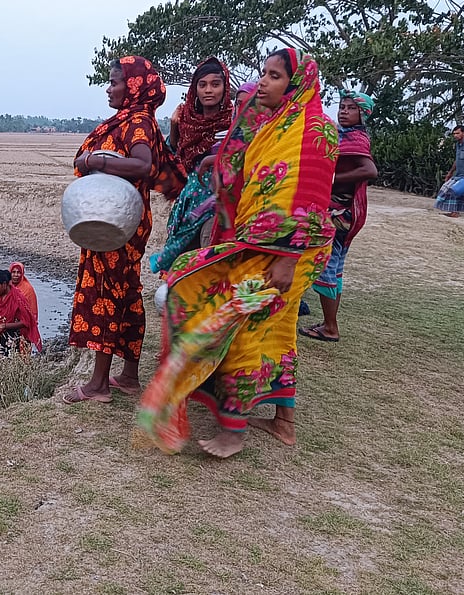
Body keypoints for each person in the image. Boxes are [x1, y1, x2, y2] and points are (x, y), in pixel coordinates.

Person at [137, 48, 338, 458]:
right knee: (278, 330)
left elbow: (309, 198)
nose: (263, 81)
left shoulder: (314, 129)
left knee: (239, 324)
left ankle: (233, 431)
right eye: (263, 73)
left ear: (296, 83)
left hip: (289, 251)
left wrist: (289, 256)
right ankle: (284, 423)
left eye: (275, 76)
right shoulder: (277, 123)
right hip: (262, 243)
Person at [63, 55, 185, 404]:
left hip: (116, 223)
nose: (109, 87)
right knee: (128, 293)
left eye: (115, 81)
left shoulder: (138, 124)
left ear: (133, 87)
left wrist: (96, 161)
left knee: (105, 294)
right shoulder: (134, 120)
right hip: (122, 218)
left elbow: (144, 165)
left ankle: (98, 384)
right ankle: (129, 375)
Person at [299, 91, 378, 343]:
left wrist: (330, 180)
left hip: (340, 212)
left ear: (362, 114)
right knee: (336, 267)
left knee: (326, 265)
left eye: (351, 108)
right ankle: (328, 322)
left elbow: (369, 170)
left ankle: (331, 327)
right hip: (345, 211)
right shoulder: (345, 135)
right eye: (342, 107)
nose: (344, 111)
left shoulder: (356, 139)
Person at [150, 57, 234, 273]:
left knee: (208, 263)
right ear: (194, 89)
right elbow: (173, 161)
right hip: (188, 206)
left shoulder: (235, 122)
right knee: (182, 266)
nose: (209, 90)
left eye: (215, 84)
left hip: (220, 205)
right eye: (202, 84)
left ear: (225, 88)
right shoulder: (186, 120)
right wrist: (174, 127)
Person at [0, 268, 42, 355]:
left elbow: (27, 322)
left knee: (9, 362)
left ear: (4, 284)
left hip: (14, 338)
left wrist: (5, 326)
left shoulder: (18, 299)